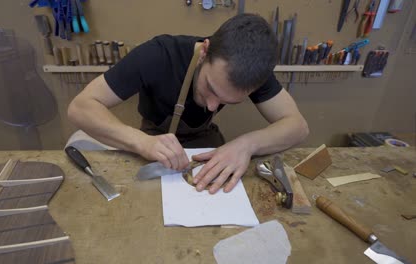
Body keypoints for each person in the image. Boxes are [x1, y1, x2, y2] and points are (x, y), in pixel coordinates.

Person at [68, 13, 309, 194]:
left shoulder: (254, 72)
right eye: (211, 88)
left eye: (227, 101)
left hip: (203, 140)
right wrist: (141, 142)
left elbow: (298, 126)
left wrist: (247, 145)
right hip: (153, 139)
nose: (213, 107)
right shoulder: (158, 55)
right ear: (205, 51)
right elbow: (81, 107)